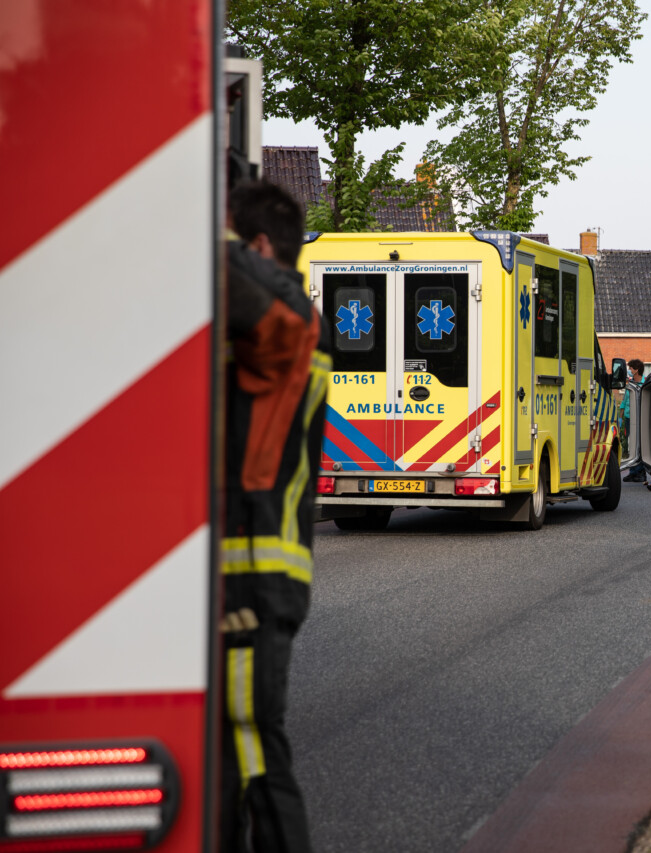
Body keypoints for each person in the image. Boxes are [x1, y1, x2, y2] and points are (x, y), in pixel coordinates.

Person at [220, 181, 332, 853]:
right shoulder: (281, 317)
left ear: (260, 247)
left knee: (254, 746)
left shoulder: (290, 311)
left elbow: (231, 271)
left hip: (256, 576)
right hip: (248, 571)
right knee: (235, 762)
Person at [623, 359, 648, 482]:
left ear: (636, 370)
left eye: (631, 368)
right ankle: (633, 472)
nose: (630, 370)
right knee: (631, 446)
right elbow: (625, 400)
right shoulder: (630, 383)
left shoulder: (645, 384)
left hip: (639, 418)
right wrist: (621, 415)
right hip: (629, 417)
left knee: (639, 446)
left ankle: (640, 472)